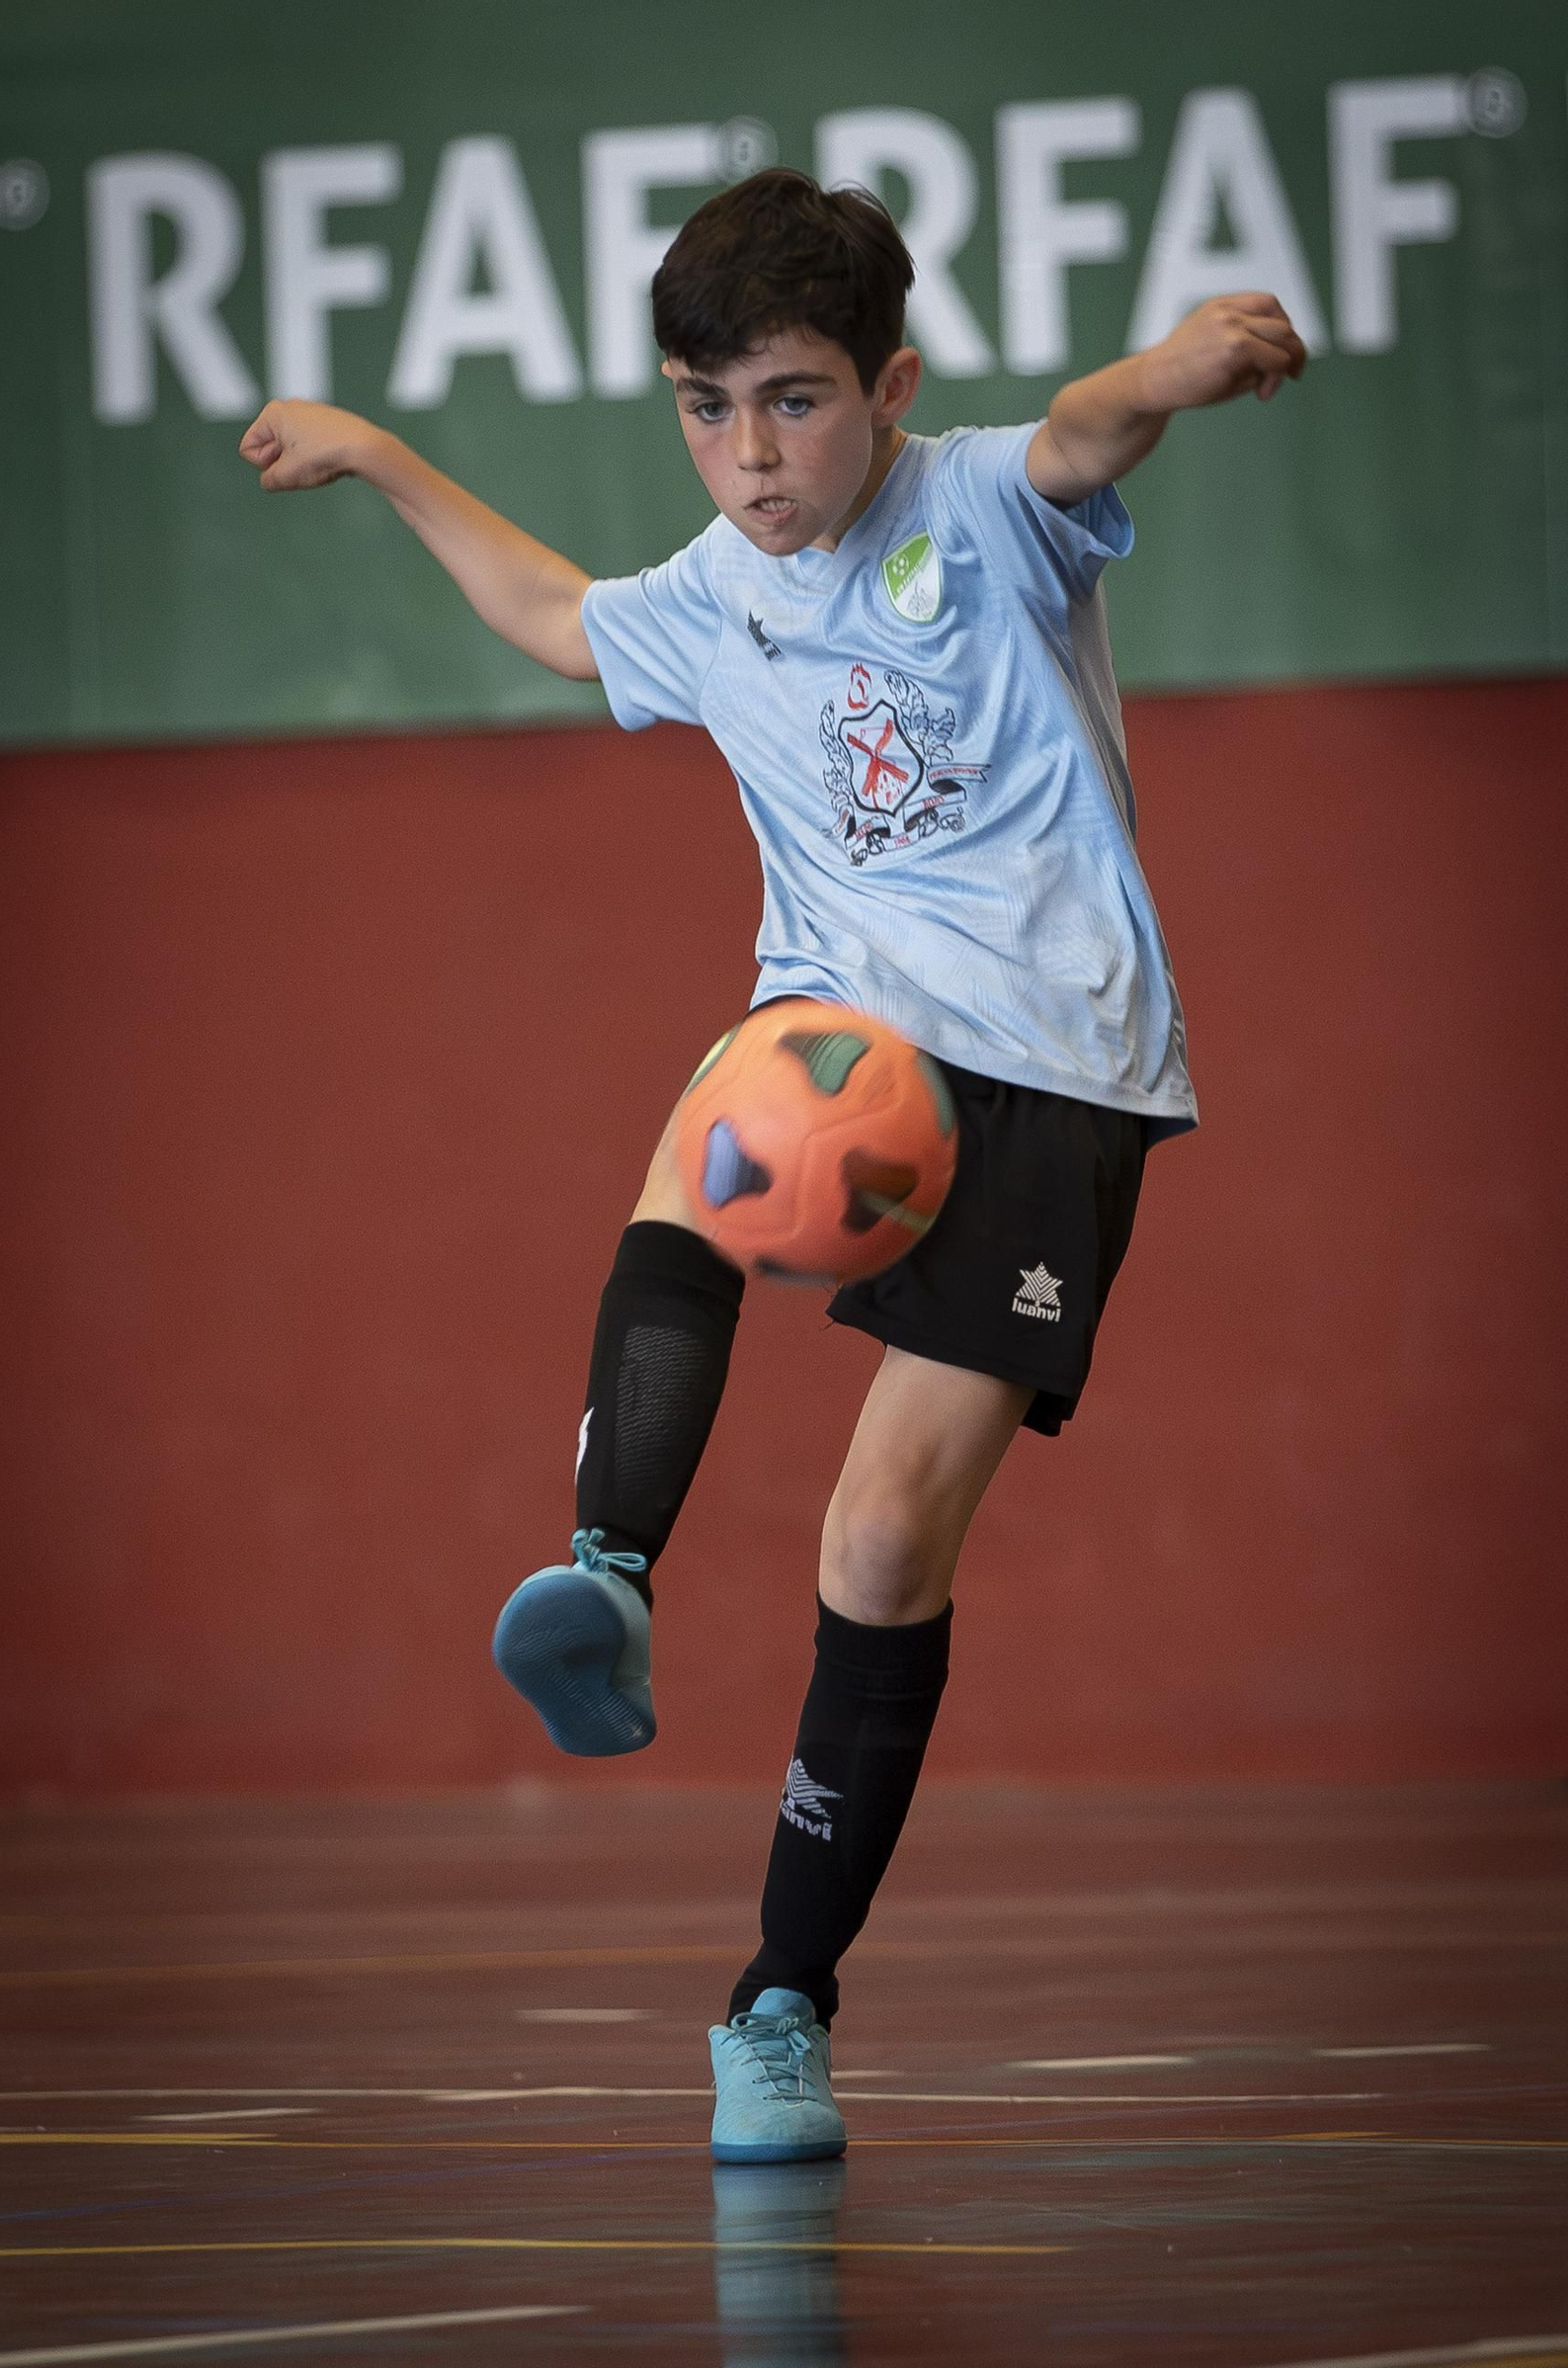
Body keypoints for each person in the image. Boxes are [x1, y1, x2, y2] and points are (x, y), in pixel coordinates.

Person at [239, 166, 1305, 2167]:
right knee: (710, 1131)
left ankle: (779, 2002)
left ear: (885, 389)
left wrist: (1173, 365)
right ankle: (608, 1574)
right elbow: (557, 616)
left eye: (794, 402)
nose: (749, 456)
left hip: (1052, 1068)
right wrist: (377, 454)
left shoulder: (977, 506)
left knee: (881, 1547)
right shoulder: (715, 592)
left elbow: (1085, 434)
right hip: (842, 1033)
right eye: (705, 409)